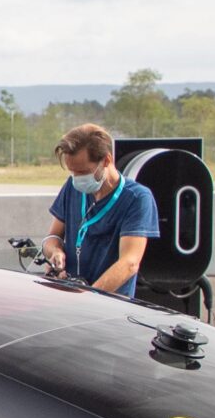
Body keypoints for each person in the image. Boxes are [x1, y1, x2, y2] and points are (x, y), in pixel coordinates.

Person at [40, 123, 159, 298]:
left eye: (83, 172)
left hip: (108, 304)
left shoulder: (137, 198)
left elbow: (129, 263)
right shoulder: (72, 188)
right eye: (73, 172)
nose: (77, 178)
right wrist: (55, 252)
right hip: (69, 298)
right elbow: (52, 237)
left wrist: (89, 297)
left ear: (106, 160)